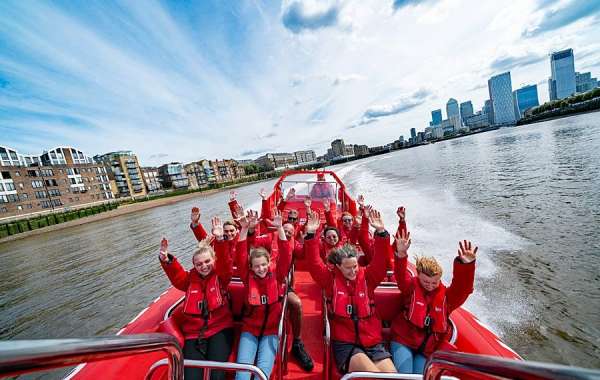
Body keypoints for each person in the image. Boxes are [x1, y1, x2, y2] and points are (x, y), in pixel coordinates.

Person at [303, 208, 397, 374]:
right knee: (373, 375)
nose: (353, 271)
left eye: (355, 266)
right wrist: (310, 235)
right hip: (346, 344)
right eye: (348, 268)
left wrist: (381, 233)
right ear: (338, 266)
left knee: (393, 376)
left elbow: (381, 261)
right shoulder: (330, 279)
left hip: (373, 342)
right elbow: (314, 264)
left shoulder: (368, 277)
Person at [390, 231, 477, 374]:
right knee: (405, 374)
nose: (430, 285)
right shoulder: (410, 287)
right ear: (418, 276)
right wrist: (401, 254)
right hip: (403, 341)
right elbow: (400, 274)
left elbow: (463, 289)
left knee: (421, 376)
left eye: (434, 282)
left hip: (427, 349)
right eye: (425, 282)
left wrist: (466, 265)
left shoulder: (447, 298)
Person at [158, 217, 234, 380]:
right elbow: (177, 277)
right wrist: (167, 261)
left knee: (217, 375)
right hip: (193, 333)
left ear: (214, 261)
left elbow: (226, 264)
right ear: (194, 265)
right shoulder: (189, 279)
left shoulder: (222, 276)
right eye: (199, 264)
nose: (204, 266)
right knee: (191, 376)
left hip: (220, 329)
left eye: (207, 262)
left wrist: (220, 239)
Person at [234, 210, 293, 380]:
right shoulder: (247, 277)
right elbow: (240, 255)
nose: (261, 269)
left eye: (264, 265)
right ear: (251, 268)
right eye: (257, 266)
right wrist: (244, 229)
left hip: (271, 331)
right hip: (249, 331)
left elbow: (286, 256)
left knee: (262, 374)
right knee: (242, 375)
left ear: (269, 263)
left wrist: (280, 228)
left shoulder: (278, 276)